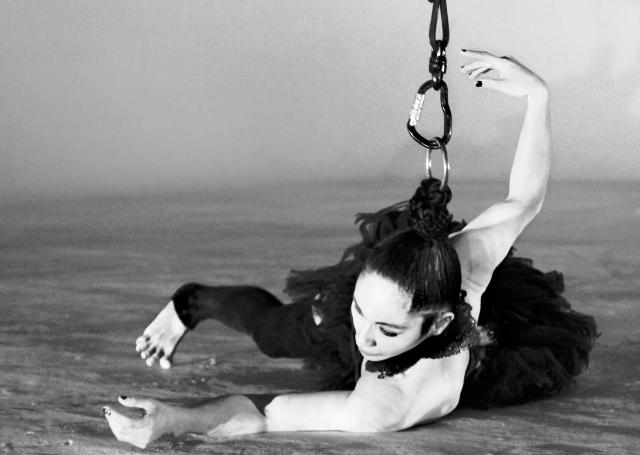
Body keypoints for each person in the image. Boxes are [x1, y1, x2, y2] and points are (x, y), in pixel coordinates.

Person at [103, 49, 597, 449]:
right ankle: (193, 302)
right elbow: (523, 198)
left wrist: (177, 420)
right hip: (395, 289)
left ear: (442, 322)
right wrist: (538, 96)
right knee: (277, 333)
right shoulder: (423, 291)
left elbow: (265, 416)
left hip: (425, 328)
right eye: (362, 314)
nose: (364, 337)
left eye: (384, 331)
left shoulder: (383, 406)